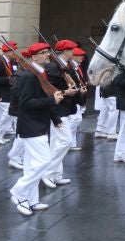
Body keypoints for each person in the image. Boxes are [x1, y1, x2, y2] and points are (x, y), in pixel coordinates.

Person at [9, 43, 64, 216]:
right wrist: (52, 101)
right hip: (31, 126)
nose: (48, 54)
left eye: (47, 51)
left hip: (37, 124)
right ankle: (18, 192)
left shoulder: (37, 74)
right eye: (43, 53)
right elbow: (26, 103)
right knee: (43, 162)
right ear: (33, 57)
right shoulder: (28, 76)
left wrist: (54, 107)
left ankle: (31, 200)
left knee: (32, 165)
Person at [42, 39, 81, 188]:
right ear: (64, 51)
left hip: (64, 108)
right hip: (57, 110)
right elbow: (49, 90)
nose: (73, 52)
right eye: (71, 49)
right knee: (65, 141)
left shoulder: (64, 66)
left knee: (57, 143)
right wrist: (66, 92)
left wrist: (76, 91)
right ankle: (47, 172)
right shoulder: (53, 67)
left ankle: (56, 175)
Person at [0, 41, 19, 144]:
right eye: (13, 50)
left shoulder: (13, 62)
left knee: (3, 115)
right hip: (2, 93)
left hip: (11, 92)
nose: (15, 52)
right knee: (8, 113)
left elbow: (15, 74)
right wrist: (9, 79)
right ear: (7, 51)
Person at [68, 47, 88, 150]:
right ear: (73, 56)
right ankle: (67, 140)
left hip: (78, 96)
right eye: (80, 55)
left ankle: (71, 143)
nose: (82, 57)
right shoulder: (70, 67)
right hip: (73, 97)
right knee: (76, 119)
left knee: (76, 119)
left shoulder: (76, 67)